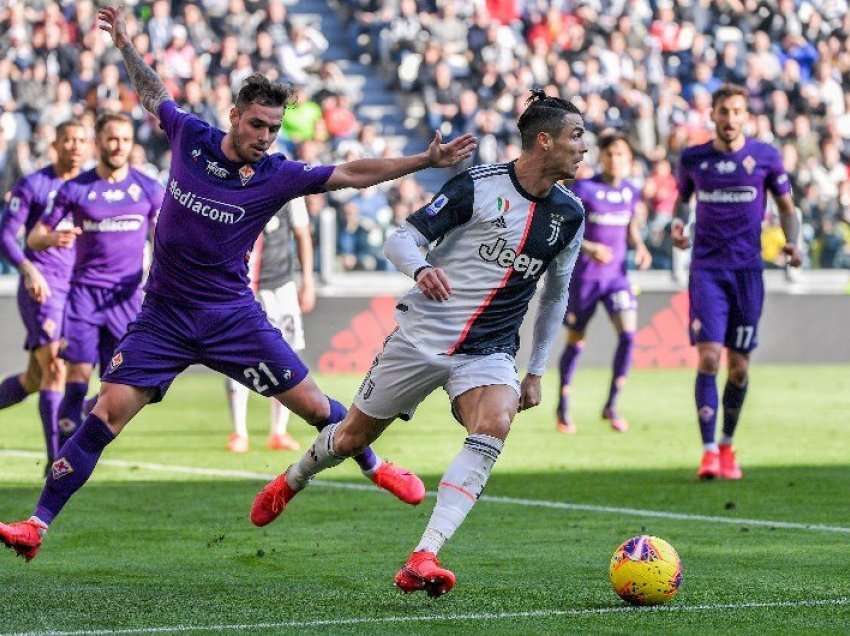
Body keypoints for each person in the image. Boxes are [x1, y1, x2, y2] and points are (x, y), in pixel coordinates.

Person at [0, 5, 475, 562]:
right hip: (163, 318)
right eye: (257, 125)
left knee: (317, 408)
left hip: (231, 317)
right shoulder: (188, 137)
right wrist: (126, 44)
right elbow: (154, 93)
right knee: (105, 414)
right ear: (233, 116)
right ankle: (37, 524)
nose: (265, 137)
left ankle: (376, 466)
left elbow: (349, 173)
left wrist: (424, 159)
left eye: (274, 128)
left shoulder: (278, 175)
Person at [249, 90, 588, 597]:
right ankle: (294, 477)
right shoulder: (477, 186)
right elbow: (399, 239)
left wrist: (536, 370)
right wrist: (422, 268)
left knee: (496, 420)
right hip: (420, 339)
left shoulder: (569, 215)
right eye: (576, 136)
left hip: (488, 350)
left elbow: (556, 295)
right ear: (544, 141)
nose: (584, 147)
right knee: (350, 440)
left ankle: (424, 555)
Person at [672, 84, 802, 480]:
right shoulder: (694, 159)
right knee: (710, 357)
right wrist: (679, 225)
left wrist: (793, 244)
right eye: (723, 111)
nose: (730, 119)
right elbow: (682, 200)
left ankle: (727, 444)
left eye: (737, 111)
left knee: (739, 367)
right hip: (707, 270)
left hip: (747, 272)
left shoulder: (765, 157)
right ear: (712, 115)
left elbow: (787, 208)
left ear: (747, 116)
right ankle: (708, 451)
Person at [27, 112, 163, 444]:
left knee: (128, 388)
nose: (119, 146)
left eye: (126, 140)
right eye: (112, 139)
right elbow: (34, 237)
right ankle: (61, 457)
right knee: (76, 373)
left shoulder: (149, 189)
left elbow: (165, 239)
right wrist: (53, 238)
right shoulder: (76, 189)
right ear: (99, 141)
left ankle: (84, 414)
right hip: (84, 296)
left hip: (127, 298)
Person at [0, 121, 88, 466]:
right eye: (68, 140)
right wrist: (30, 269)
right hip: (43, 286)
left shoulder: (92, 187)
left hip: (79, 290)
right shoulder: (34, 184)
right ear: (55, 144)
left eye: (81, 140)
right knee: (55, 367)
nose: (75, 146)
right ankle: (56, 462)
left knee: (34, 378)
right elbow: (7, 236)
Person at [556, 131, 652, 435]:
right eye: (610, 154)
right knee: (576, 341)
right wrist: (590, 247)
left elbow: (630, 224)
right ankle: (563, 406)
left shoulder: (630, 192)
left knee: (629, 334)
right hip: (585, 278)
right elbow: (565, 231)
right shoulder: (584, 189)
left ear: (630, 160)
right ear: (602, 157)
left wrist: (641, 246)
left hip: (617, 278)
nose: (615, 159)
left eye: (621, 154)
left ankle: (612, 404)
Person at [225, 197, 313, 454]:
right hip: (244, 287)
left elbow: (302, 234)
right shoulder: (237, 186)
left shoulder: (289, 190)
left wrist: (307, 280)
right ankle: (239, 432)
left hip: (282, 288)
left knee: (287, 356)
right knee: (237, 357)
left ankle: (279, 431)